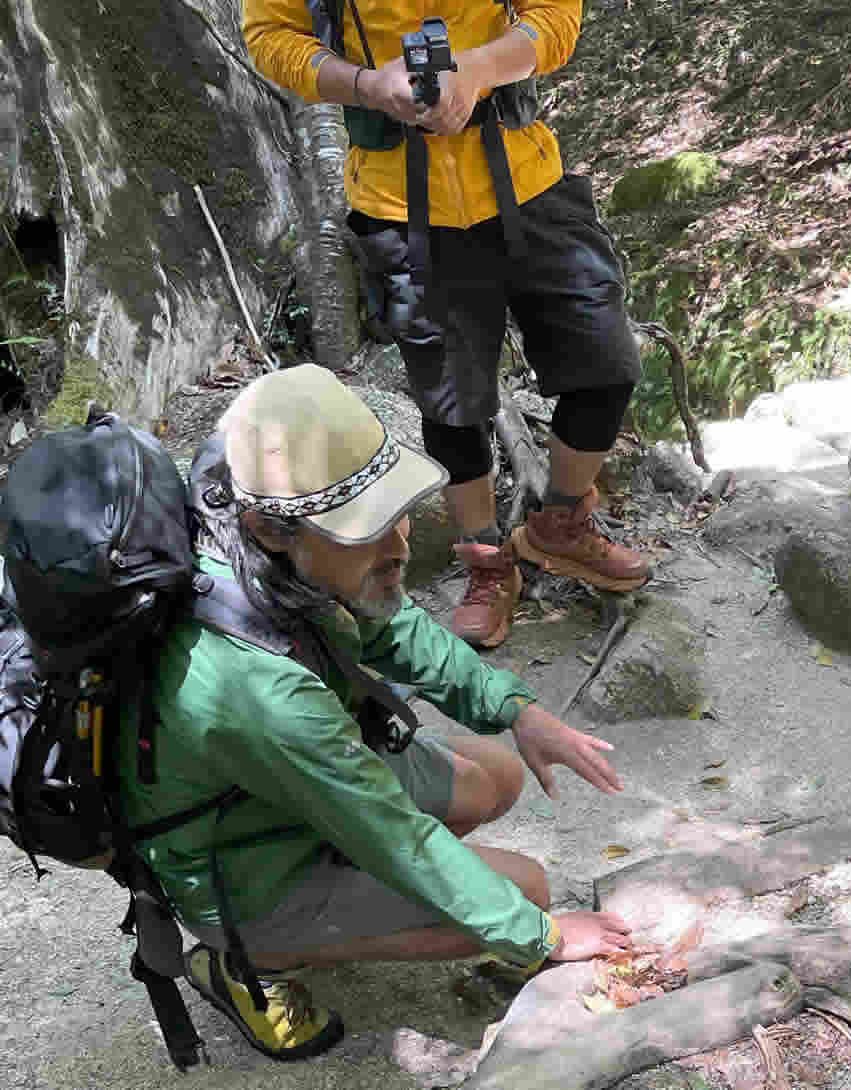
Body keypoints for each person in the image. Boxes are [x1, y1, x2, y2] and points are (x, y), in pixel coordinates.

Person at [121, 365, 633, 1061]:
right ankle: (247, 964)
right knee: (530, 894)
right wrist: (541, 937)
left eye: (396, 516)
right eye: (367, 531)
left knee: (495, 775)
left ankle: (332, 904)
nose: (399, 546)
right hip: (234, 866)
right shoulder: (254, 687)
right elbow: (394, 838)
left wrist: (515, 709)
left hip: (274, 794)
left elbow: (391, 625)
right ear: (269, 530)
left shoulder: (249, 523)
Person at [243, 0, 651, 653]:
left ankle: (560, 528)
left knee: (606, 362)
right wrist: (368, 85)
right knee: (452, 404)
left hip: (527, 176)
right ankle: (488, 568)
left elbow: (555, 17)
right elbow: (270, 37)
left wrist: (478, 71)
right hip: (400, 200)